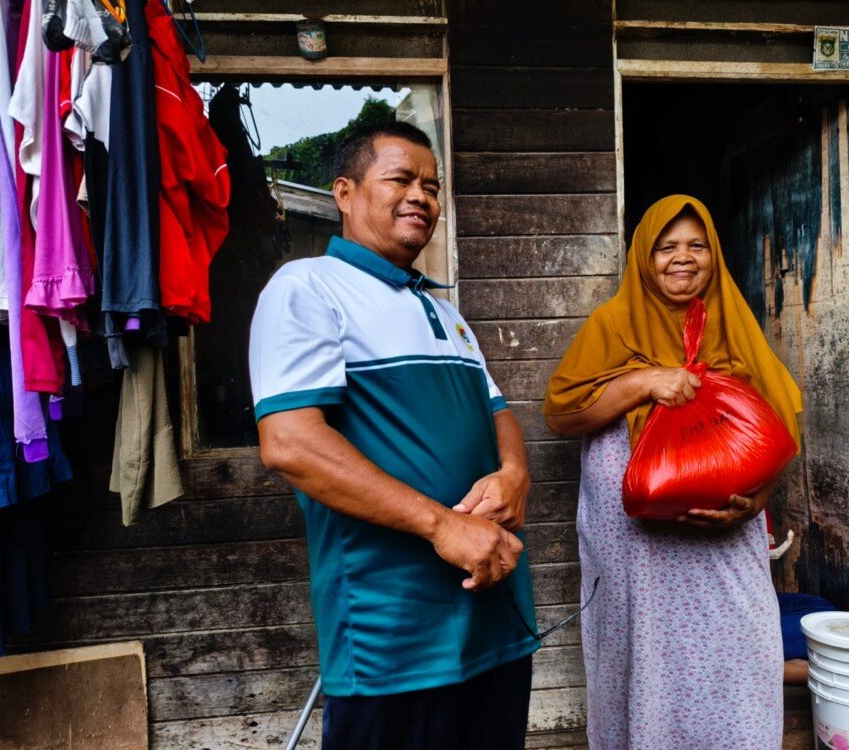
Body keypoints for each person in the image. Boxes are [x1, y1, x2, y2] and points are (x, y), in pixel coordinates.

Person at [249, 121, 540, 750]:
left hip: (495, 613)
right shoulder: (306, 288)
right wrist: (442, 525)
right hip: (395, 634)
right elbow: (291, 443)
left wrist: (514, 474)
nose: (422, 197)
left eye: (432, 187)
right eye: (401, 179)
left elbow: (498, 412)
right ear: (345, 193)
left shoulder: (444, 310)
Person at [543, 195, 803, 749]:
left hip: (724, 535)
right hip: (634, 545)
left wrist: (756, 501)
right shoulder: (612, 324)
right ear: (644, 256)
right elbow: (563, 414)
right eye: (666, 247)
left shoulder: (733, 320)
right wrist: (643, 382)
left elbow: (775, 429)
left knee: (742, 645)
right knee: (646, 657)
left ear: (714, 253)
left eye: (696, 245)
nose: (682, 258)